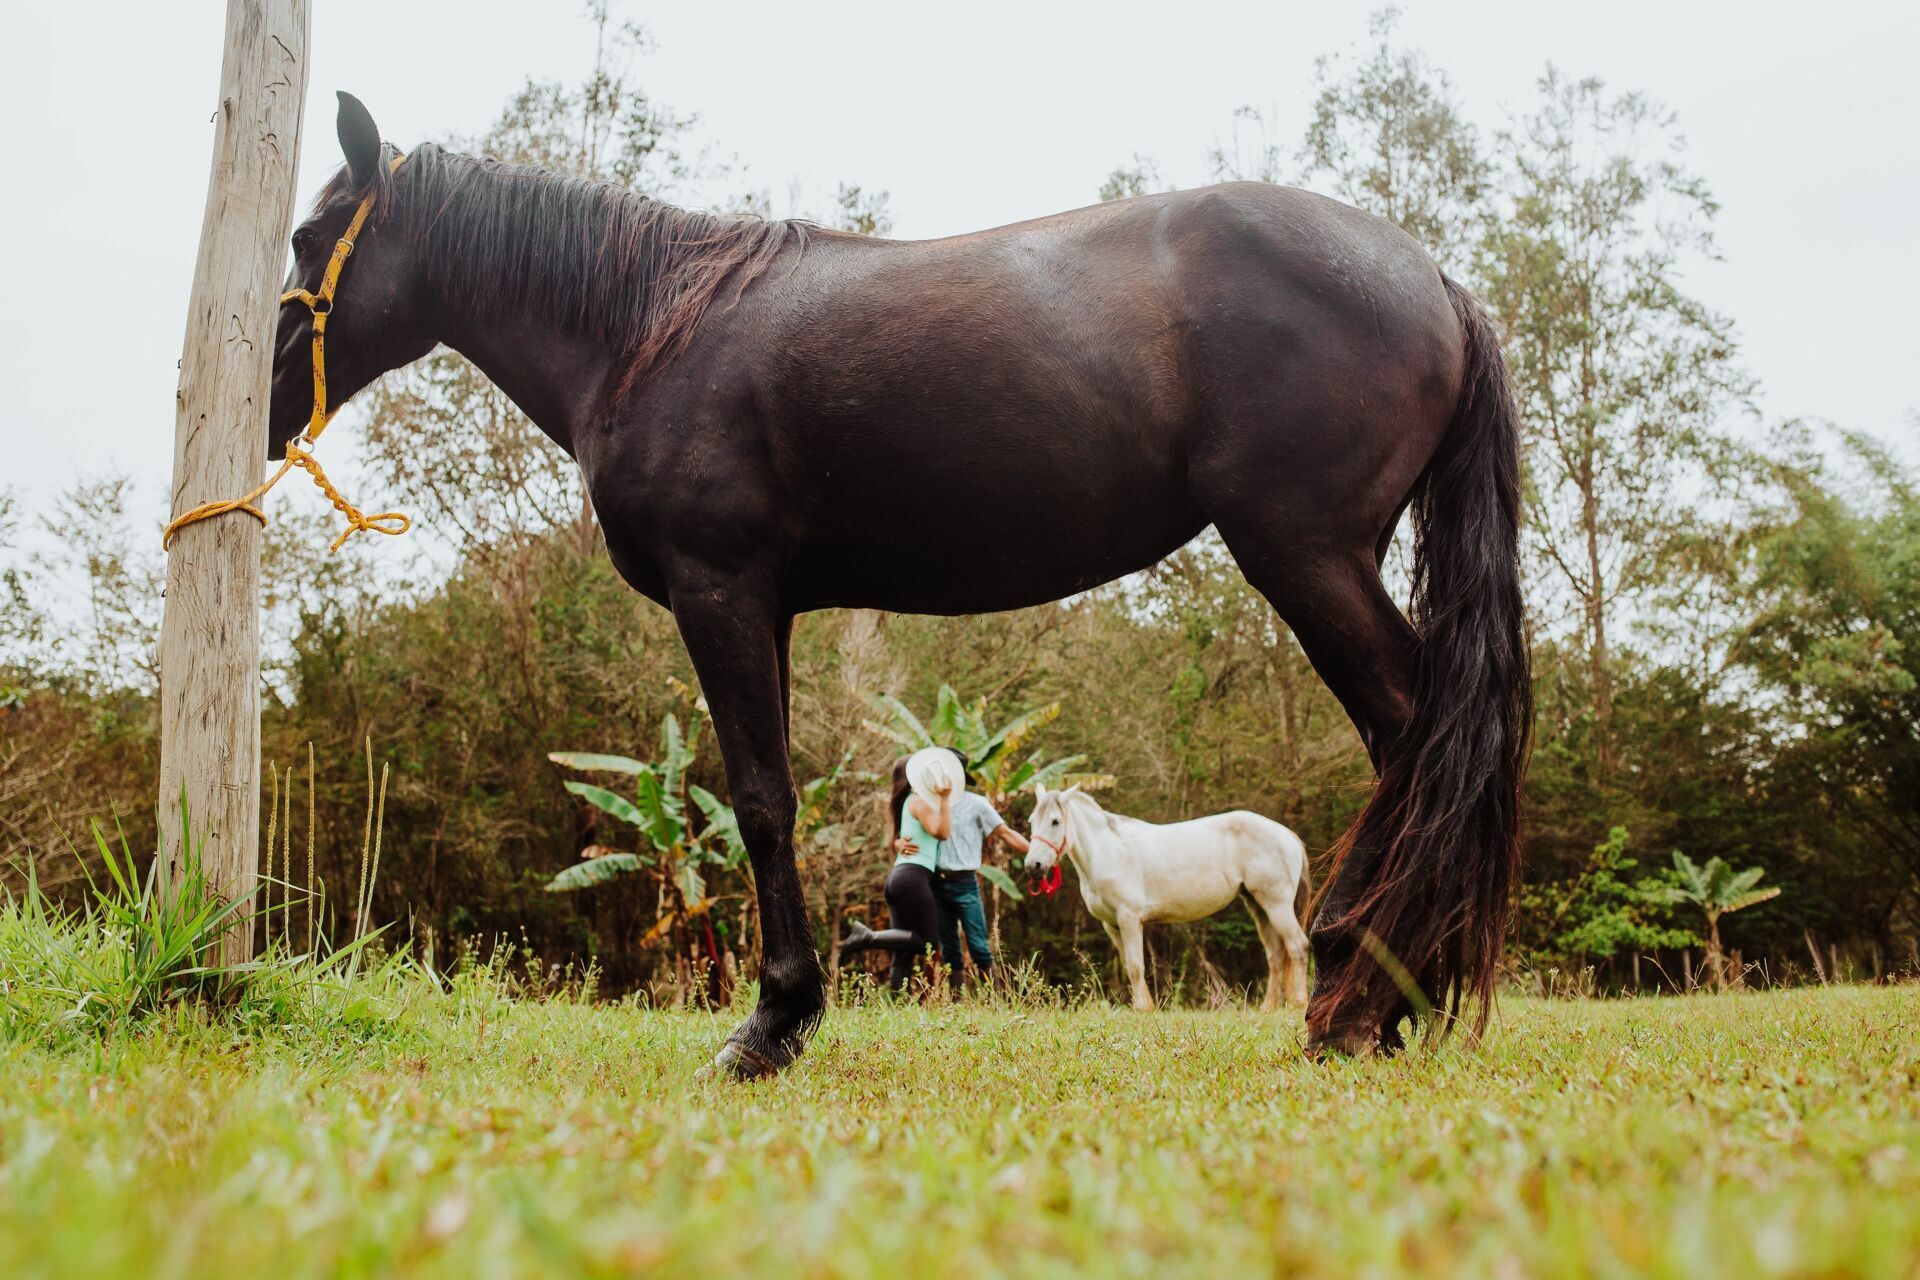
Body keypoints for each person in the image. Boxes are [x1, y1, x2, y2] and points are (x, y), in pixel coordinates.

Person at [898, 755, 1030, 989]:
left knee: (979, 945)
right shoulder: (925, 803)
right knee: (949, 948)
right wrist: (897, 844)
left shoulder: (976, 803)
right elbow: (909, 834)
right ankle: (957, 1002)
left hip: (965, 883)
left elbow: (1006, 833)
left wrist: (1036, 852)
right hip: (934, 884)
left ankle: (997, 1000)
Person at [835, 759, 952, 991]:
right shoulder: (919, 801)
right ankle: (867, 937)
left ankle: (897, 1003)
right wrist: (946, 798)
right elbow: (942, 832)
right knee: (928, 944)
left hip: (899, 879)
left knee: (903, 951)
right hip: (913, 878)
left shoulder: (906, 803)